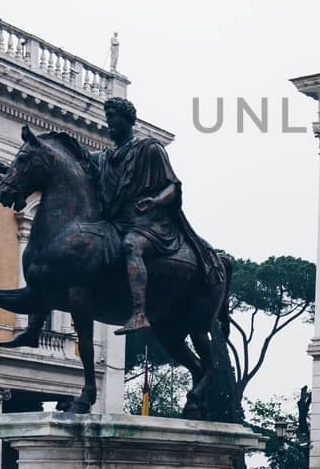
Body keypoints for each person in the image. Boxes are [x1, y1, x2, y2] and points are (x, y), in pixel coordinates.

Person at [95, 96, 225, 334]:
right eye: (107, 119)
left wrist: (154, 201)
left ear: (128, 120)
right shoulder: (104, 157)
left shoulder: (150, 149)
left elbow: (173, 187)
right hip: (118, 222)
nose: (109, 124)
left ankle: (139, 313)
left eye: (113, 118)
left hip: (151, 224)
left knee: (131, 246)